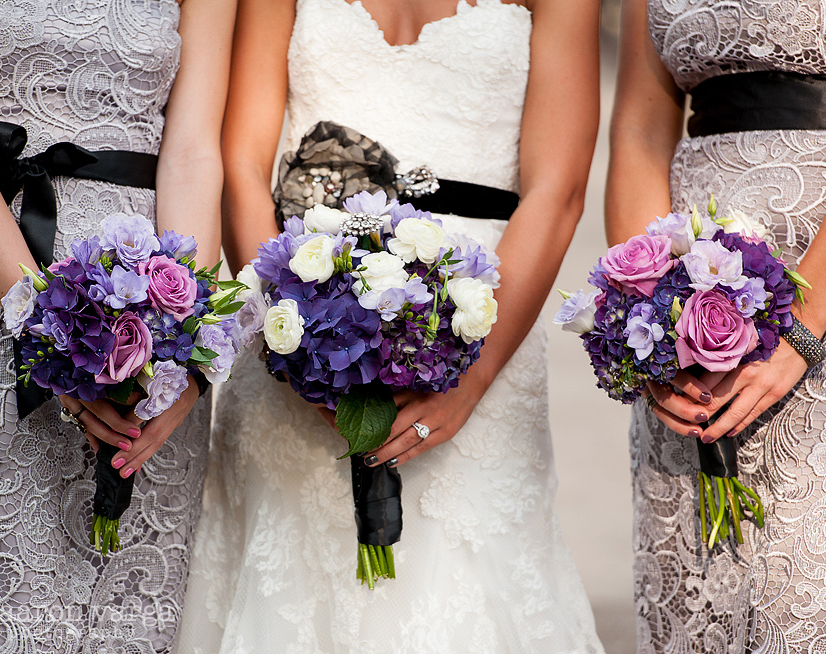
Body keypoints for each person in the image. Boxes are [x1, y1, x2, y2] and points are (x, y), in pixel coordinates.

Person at [176, 0, 606, 652]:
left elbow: (559, 188)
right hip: (300, 319)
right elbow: (241, 166)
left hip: (479, 327)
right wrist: (286, 340)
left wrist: (470, 381)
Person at [0, 1, 234, 651]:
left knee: (128, 622)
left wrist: (181, 346)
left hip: (150, 327)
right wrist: (48, 334)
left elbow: (194, 151)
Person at [607, 0, 826, 650]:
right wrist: (654, 317)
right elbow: (641, 128)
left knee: (822, 612)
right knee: (702, 613)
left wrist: (804, 326)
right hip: (694, 341)